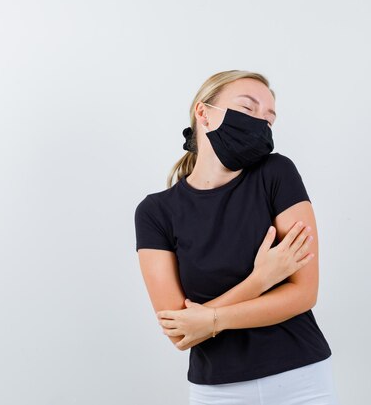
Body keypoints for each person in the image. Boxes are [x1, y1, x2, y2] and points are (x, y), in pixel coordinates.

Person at [134, 70, 341, 405]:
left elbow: (304, 293)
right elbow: (180, 332)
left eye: (269, 119)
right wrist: (261, 279)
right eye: (248, 109)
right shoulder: (156, 212)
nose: (260, 123)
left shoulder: (277, 174)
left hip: (301, 379)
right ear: (203, 113)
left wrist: (211, 319)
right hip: (217, 390)